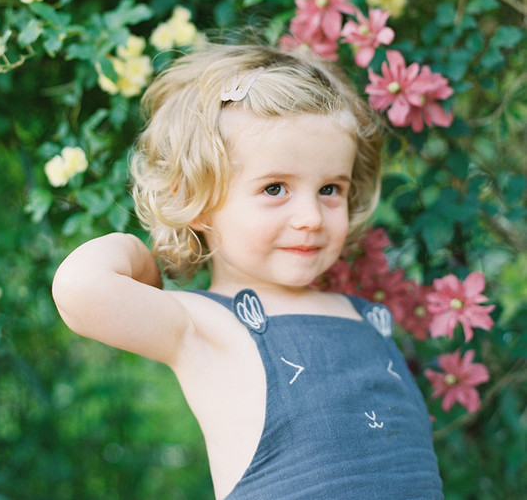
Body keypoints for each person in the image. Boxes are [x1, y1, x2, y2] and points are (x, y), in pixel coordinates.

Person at [52, 41, 444, 500]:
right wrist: (142, 257)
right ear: (196, 200)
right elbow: (79, 288)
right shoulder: (202, 324)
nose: (312, 217)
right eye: (275, 188)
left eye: (329, 189)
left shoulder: (362, 314)